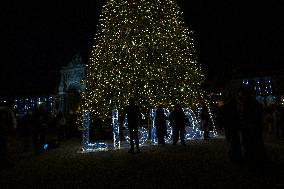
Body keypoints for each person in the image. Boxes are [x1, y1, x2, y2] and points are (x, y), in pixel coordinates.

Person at [237, 86, 268, 166]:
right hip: (252, 127)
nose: (240, 97)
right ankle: (256, 160)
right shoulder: (254, 103)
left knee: (251, 144)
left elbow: (248, 115)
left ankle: (253, 161)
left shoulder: (249, 103)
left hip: (251, 127)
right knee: (254, 144)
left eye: (241, 95)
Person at [219, 92, 242, 163]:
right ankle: (235, 156)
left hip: (228, 126)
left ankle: (232, 156)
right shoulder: (232, 107)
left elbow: (222, 117)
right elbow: (236, 117)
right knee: (234, 142)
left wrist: (222, 125)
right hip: (232, 127)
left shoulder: (224, 107)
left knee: (230, 141)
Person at [0, 101, 17, 170]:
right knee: (4, 147)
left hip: (3, 131)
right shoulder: (7, 111)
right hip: (3, 132)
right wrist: (10, 129)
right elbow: (11, 122)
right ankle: (4, 162)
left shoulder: (3, 110)